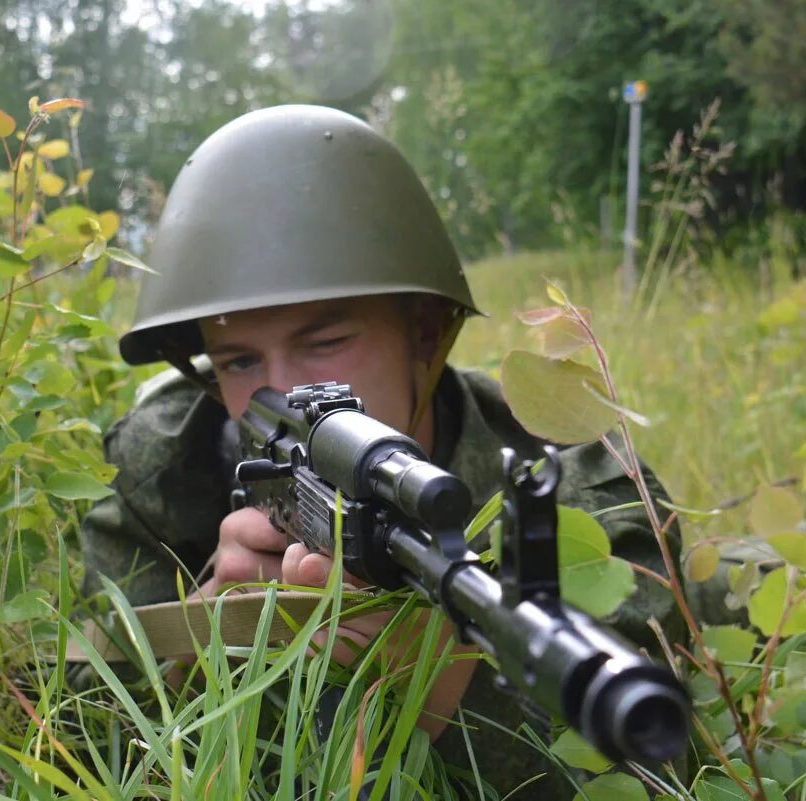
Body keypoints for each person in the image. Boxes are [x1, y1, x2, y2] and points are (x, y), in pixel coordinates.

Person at [79, 104, 682, 797]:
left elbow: (659, 760)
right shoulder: (163, 468)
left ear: (425, 335)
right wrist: (209, 639)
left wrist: (439, 685)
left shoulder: (570, 479)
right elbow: (83, 716)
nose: (285, 392)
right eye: (239, 360)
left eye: (326, 342)